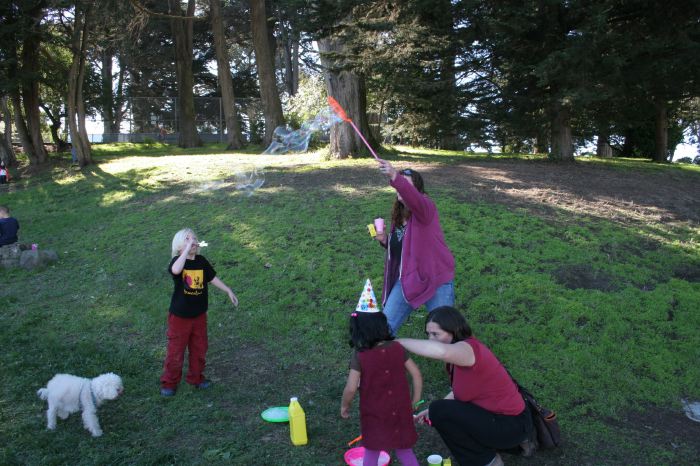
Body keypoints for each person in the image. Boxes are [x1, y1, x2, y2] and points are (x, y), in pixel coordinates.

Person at [398, 307, 533, 466]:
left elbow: (441, 352)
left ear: (454, 331)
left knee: (439, 410)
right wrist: (431, 412)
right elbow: (459, 391)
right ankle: (514, 445)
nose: (430, 340)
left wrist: (397, 342)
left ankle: (488, 461)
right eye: (428, 334)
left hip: (511, 424)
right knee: (438, 410)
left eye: (436, 334)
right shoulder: (458, 357)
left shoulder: (468, 349)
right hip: (506, 421)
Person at [374, 159, 455, 335]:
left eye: (406, 185)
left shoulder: (426, 209)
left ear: (416, 191)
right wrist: (384, 240)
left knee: (445, 333)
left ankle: (461, 352)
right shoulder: (400, 215)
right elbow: (404, 249)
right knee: (383, 329)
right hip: (408, 279)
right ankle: (378, 351)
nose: (401, 188)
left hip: (435, 278)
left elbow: (414, 199)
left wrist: (394, 175)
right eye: (400, 184)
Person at [160, 228, 238, 396]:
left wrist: (228, 290)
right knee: (176, 351)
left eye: (194, 239)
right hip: (180, 317)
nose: (192, 241)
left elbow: (212, 278)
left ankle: (196, 378)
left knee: (199, 348)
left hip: (199, 315)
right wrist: (186, 250)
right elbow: (176, 270)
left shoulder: (201, 261)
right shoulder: (177, 262)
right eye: (187, 239)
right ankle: (169, 383)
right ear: (179, 246)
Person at [341, 309, 423, 466]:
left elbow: (351, 388)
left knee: (372, 449)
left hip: (375, 414)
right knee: (404, 450)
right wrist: (416, 400)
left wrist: (345, 405)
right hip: (401, 410)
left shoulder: (360, 355)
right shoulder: (397, 348)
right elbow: (416, 374)